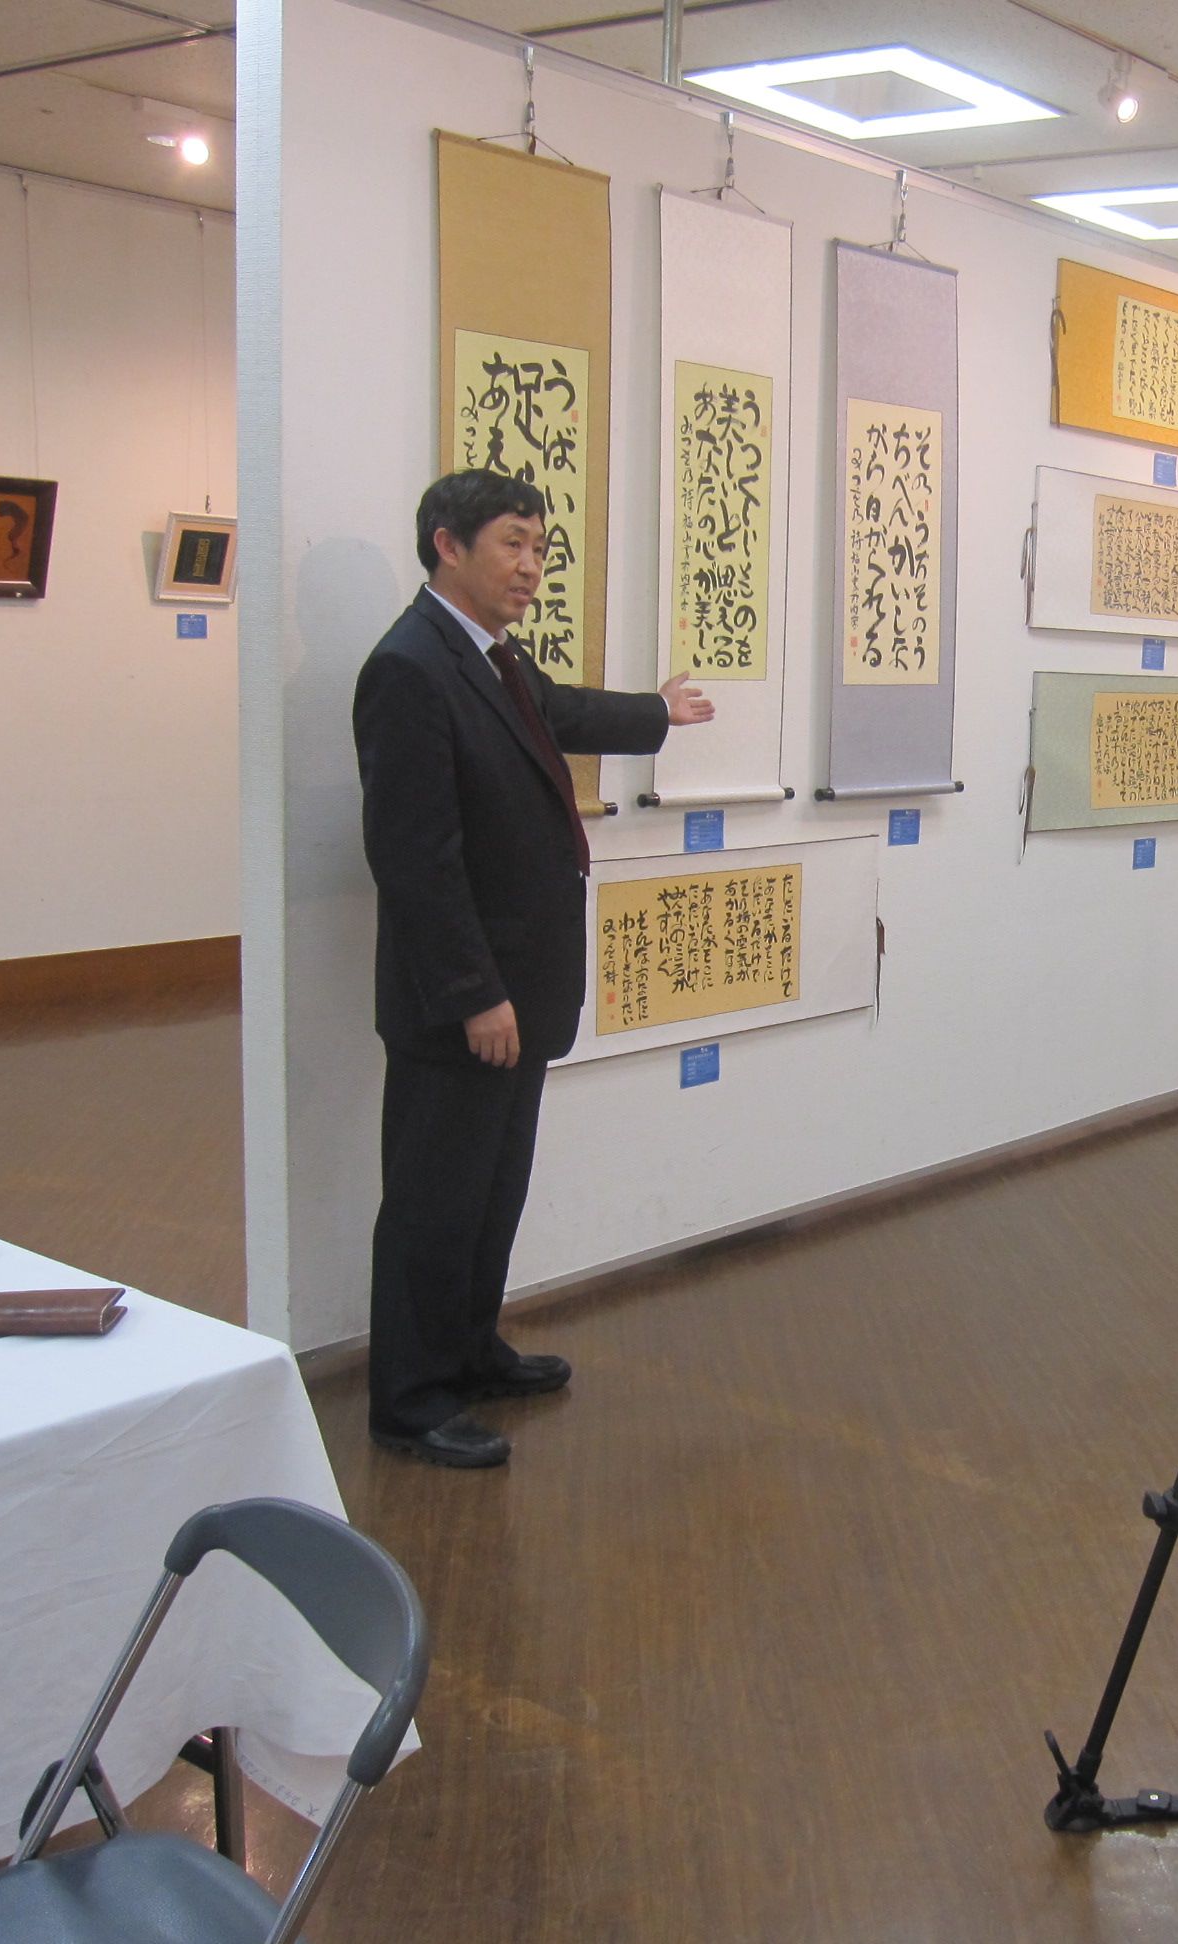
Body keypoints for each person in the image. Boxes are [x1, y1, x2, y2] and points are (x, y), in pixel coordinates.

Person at [354, 470, 714, 1468]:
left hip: (520, 989)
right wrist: (475, 994)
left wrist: (656, 712)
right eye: (513, 543)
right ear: (447, 545)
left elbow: (556, 711)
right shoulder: (409, 668)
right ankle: (409, 1401)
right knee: (433, 1202)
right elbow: (414, 862)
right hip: (463, 1005)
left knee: (489, 1192)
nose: (530, 567)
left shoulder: (491, 656)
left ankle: (469, 1352)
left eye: (540, 549)